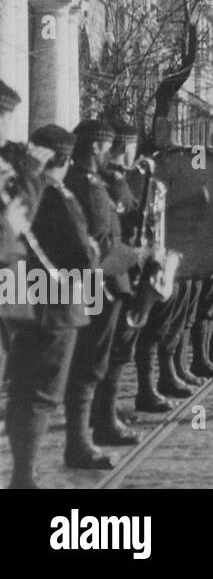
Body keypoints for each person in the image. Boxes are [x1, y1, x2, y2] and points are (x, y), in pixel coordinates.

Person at [5, 119, 98, 489]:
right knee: (42, 392)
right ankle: (24, 478)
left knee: (24, 388)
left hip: (23, 297)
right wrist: (91, 251)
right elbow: (82, 252)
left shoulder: (20, 188)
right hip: (57, 301)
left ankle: (22, 474)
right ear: (66, 158)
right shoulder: (55, 192)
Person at [63, 119, 143, 470]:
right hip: (104, 284)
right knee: (90, 362)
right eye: (107, 146)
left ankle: (101, 424)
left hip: (101, 283)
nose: (110, 153)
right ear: (96, 147)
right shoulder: (91, 186)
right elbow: (104, 246)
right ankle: (80, 443)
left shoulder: (86, 182)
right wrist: (140, 255)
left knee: (95, 359)